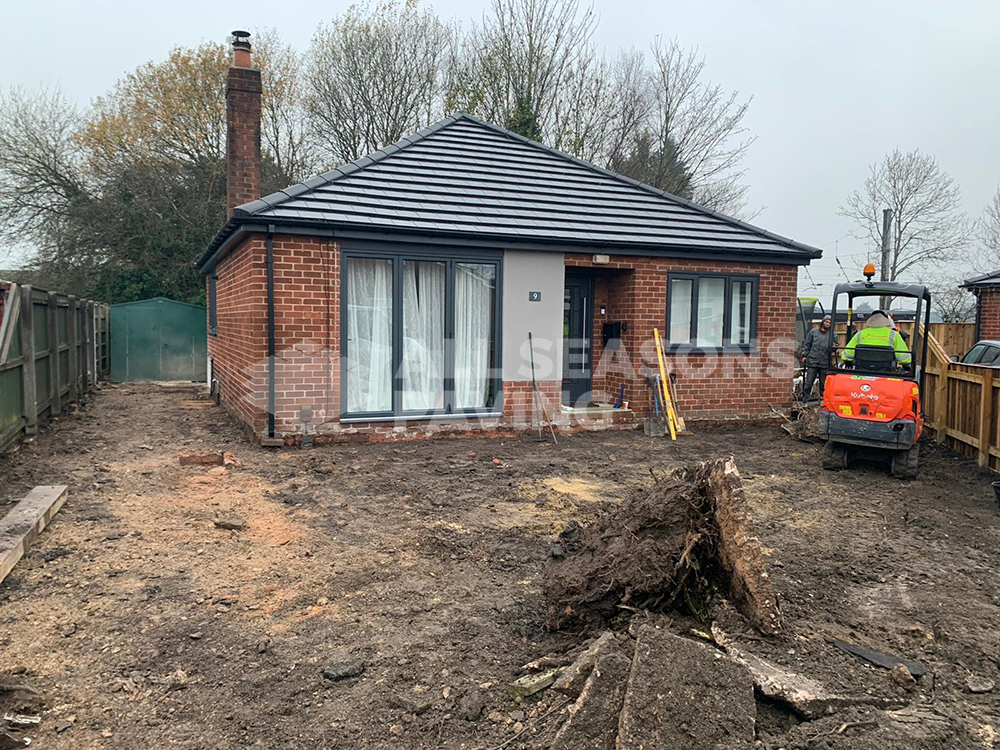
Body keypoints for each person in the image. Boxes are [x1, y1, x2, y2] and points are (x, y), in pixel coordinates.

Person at [841, 310, 912, 367]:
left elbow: (847, 355)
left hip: (861, 371)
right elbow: (904, 359)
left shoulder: (860, 334)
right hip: (887, 373)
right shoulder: (893, 335)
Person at [801, 315, 834, 401]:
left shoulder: (832, 334)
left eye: (830, 323)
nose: (828, 324)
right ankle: (806, 398)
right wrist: (805, 355)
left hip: (825, 361)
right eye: (826, 322)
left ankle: (823, 399)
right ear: (823, 322)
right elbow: (807, 344)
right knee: (809, 382)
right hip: (813, 360)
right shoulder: (813, 332)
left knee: (823, 383)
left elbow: (836, 345)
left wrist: (834, 347)